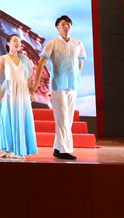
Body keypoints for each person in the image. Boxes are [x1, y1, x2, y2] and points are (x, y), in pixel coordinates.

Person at [30, 15, 86, 160]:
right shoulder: (52, 43)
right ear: (57, 27)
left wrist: (76, 76)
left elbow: (80, 62)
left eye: (68, 24)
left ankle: (57, 148)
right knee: (62, 118)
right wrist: (36, 83)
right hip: (58, 85)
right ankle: (64, 150)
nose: (66, 26)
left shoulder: (78, 44)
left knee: (69, 118)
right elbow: (41, 62)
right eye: (63, 24)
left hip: (73, 85)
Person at [0, 34, 38, 159]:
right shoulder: (3, 58)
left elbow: (28, 78)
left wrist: (32, 93)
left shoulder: (25, 59)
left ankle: (19, 151)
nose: (17, 43)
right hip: (9, 90)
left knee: (21, 118)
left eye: (19, 41)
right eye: (15, 41)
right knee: (7, 119)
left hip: (22, 90)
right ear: (8, 43)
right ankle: (8, 150)